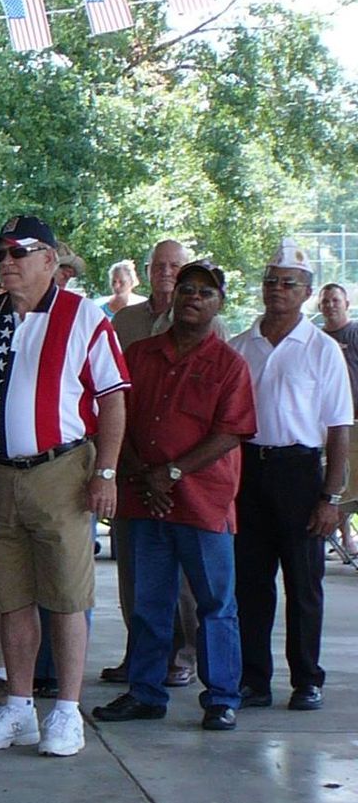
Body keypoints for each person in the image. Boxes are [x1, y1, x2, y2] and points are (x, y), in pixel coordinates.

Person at [0, 216, 129, 760]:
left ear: (50, 260)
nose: (7, 262)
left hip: (61, 469)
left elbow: (112, 398)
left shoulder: (84, 317)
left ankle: (66, 711)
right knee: (9, 596)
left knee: (65, 596)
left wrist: (105, 472)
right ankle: (18, 704)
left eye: (20, 252)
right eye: (1, 254)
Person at [92, 261, 254, 732]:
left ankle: (221, 696)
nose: (194, 297)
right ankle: (145, 692)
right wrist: (144, 473)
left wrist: (173, 472)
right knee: (149, 603)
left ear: (219, 303)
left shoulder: (229, 364)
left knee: (215, 605)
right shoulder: (139, 355)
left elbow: (232, 432)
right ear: (174, 295)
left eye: (206, 292)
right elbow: (115, 415)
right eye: (187, 289)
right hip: (145, 497)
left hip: (203, 502)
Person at [228, 238, 352, 711]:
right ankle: (253, 680)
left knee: (304, 584)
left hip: (299, 473)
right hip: (249, 471)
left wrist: (331, 496)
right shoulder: (241, 346)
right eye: (271, 282)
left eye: (289, 284)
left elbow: (339, 427)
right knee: (250, 583)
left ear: (306, 292)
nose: (277, 290)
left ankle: (307, 679)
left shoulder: (322, 350)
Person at [317, 283, 358, 555]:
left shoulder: (354, 333)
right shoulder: (317, 340)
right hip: (326, 425)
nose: (331, 305)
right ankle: (341, 534)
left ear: (346, 304)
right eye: (326, 301)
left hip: (355, 421)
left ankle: (349, 536)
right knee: (336, 475)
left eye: (336, 300)